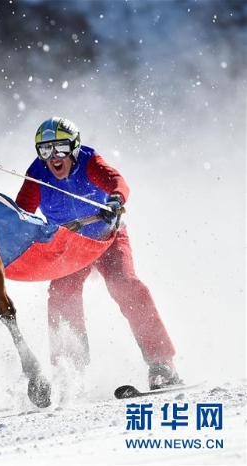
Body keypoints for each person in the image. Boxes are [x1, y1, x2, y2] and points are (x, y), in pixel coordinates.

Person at [15, 116, 181, 390]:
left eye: (60, 149)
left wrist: (115, 199)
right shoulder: (38, 174)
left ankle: (162, 363)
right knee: (61, 294)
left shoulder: (90, 162)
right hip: (70, 248)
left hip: (107, 238)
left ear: (75, 148)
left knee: (125, 284)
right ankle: (70, 370)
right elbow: (23, 212)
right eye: (45, 150)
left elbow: (117, 181)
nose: (53, 157)